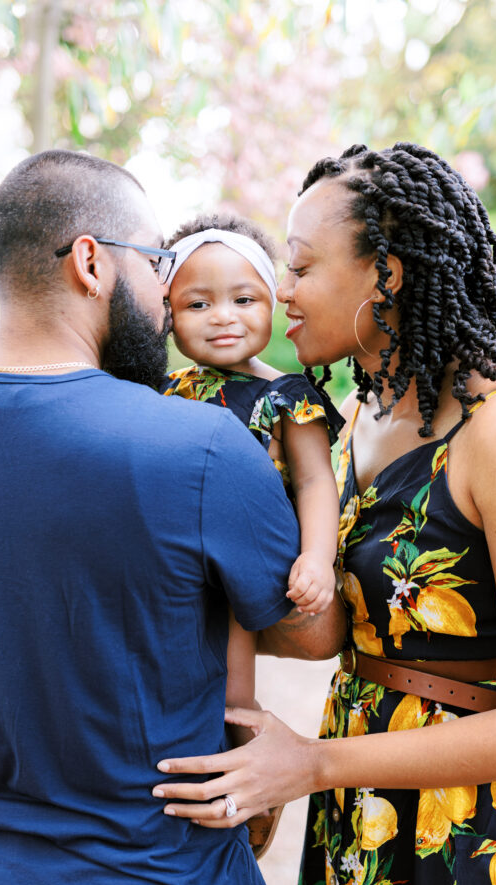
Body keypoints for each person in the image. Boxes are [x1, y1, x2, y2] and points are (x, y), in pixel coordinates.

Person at [152, 143, 496, 885]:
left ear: (385, 273)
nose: (283, 290)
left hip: (482, 835)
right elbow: (322, 631)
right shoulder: (352, 421)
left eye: (302, 265)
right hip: (364, 817)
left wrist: (310, 764)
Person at [0, 148, 346, 885]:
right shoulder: (200, 447)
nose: (163, 295)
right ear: (91, 261)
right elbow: (311, 632)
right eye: (156, 266)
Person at [159, 212, 343, 763]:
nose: (222, 318)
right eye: (197, 304)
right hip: (175, 552)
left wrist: (316, 557)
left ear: (273, 304)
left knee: (232, 675)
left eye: (244, 300)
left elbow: (315, 482)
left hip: (246, 550)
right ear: (166, 315)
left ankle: (241, 758)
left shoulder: (286, 396)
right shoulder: (164, 392)